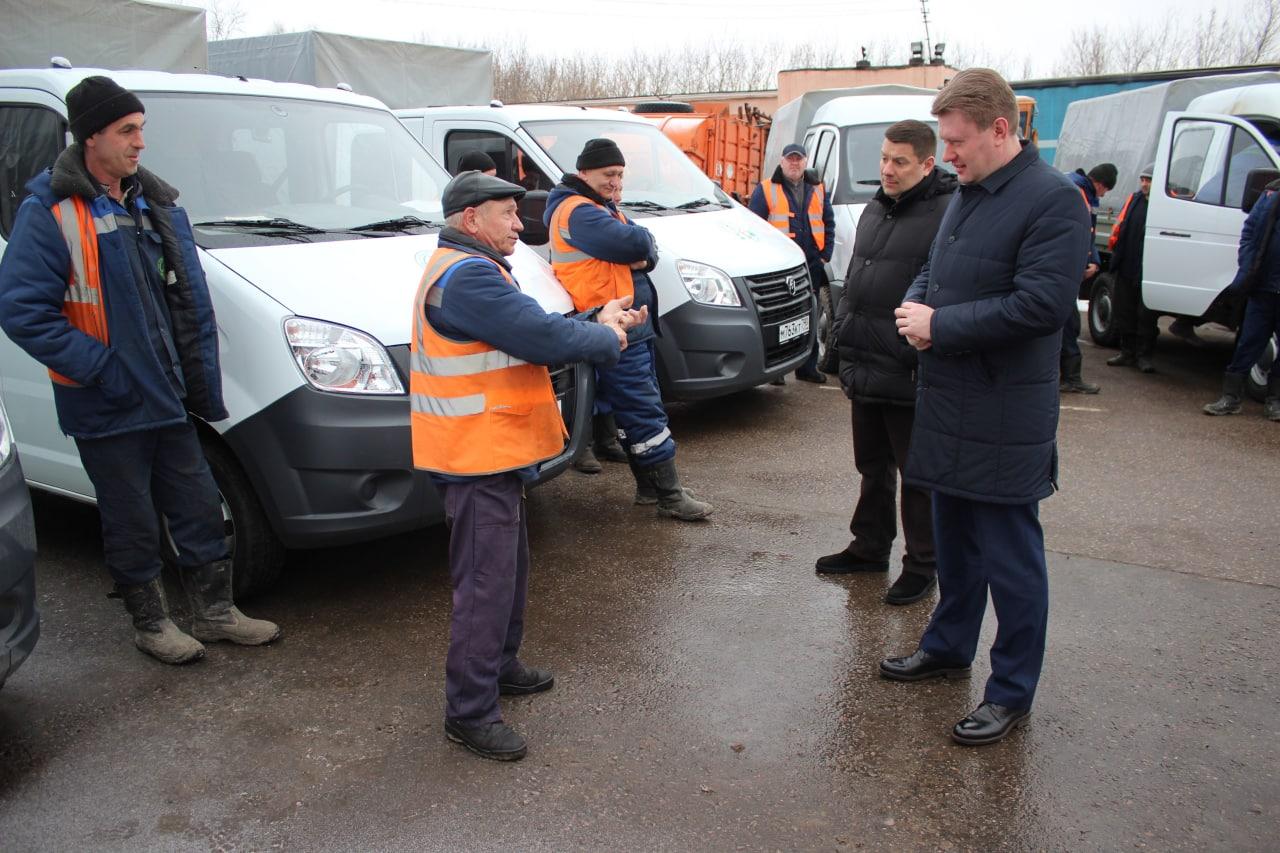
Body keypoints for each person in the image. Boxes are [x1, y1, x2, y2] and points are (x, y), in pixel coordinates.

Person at [0, 76, 280, 664]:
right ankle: (151, 624)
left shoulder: (152, 203)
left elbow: (181, 298)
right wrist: (101, 369)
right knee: (130, 519)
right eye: (128, 130)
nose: (140, 143)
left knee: (199, 504)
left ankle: (214, 612)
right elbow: (22, 311)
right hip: (107, 402)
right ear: (91, 136)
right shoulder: (49, 210)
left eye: (141, 129)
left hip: (167, 395)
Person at [884, 68, 1091, 745]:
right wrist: (917, 304)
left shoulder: (1053, 201)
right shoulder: (970, 193)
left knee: (1011, 562)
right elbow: (935, 270)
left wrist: (939, 326)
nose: (949, 156)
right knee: (957, 549)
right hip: (948, 404)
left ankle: (1010, 692)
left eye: (957, 142)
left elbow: (1042, 306)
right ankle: (948, 646)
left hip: (1005, 415)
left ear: (1001, 130)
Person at [411, 170, 644, 761]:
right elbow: (539, 336)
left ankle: (500, 665)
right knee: (485, 584)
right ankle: (469, 712)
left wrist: (596, 322)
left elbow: (534, 329)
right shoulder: (467, 278)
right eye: (508, 213)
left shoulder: (475, 269)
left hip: (493, 453)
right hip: (475, 457)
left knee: (507, 571)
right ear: (471, 219)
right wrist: (604, 338)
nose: (522, 223)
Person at [817, 120, 956, 606]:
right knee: (872, 465)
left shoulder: (947, 212)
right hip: (867, 358)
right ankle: (869, 546)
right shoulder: (878, 207)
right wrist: (840, 346)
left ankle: (922, 565)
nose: (887, 169)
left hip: (909, 364)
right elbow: (858, 278)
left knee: (917, 474)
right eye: (883, 158)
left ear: (926, 164)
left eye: (899, 161)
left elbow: (943, 286)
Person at [545, 138, 712, 521]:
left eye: (620, 174)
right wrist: (641, 248)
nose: (616, 182)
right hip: (614, 326)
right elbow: (636, 240)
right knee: (642, 408)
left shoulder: (600, 208)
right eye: (608, 174)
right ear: (583, 172)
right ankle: (669, 495)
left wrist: (643, 250)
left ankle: (650, 490)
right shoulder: (580, 212)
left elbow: (648, 250)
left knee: (638, 407)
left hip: (626, 325)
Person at [748, 143, 834, 384]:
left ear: (805, 162)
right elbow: (754, 228)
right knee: (779, 317)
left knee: (810, 313)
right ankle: (777, 371)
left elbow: (828, 221)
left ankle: (807, 368)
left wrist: (825, 253)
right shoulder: (766, 189)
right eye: (790, 159)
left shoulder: (817, 188)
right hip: (778, 270)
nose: (794, 163)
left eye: (799, 159)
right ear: (782, 161)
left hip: (811, 265)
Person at [1202, 177, 1280, 420]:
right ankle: (1231, 398)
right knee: (1248, 343)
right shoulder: (1270, 193)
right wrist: (1247, 265)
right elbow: (1248, 232)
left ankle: (1275, 401)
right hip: (1263, 287)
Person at [1060, 162, 1116, 394]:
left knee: (1063, 323)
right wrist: (1084, 263)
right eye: (1105, 190)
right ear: (1100, 184)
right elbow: (1080, 232)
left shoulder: (1073, 186)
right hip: (1063, 270)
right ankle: (1071, 378)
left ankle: (1065, 374)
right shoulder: (1078, 194)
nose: (1103, 195)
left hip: (1060, 268)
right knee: (1068, 323)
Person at [1105, 163, 1160, 373]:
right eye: (1143, 179)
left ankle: (1144, 356)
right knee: (1124, 312)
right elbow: (1120, 226)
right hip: (1127, 266)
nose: (1144, 184)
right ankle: (1127, 352)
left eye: (1149, 180)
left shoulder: (1163, 204)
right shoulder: (1134, 199)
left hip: (1148, 270)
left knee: (1146, 317)